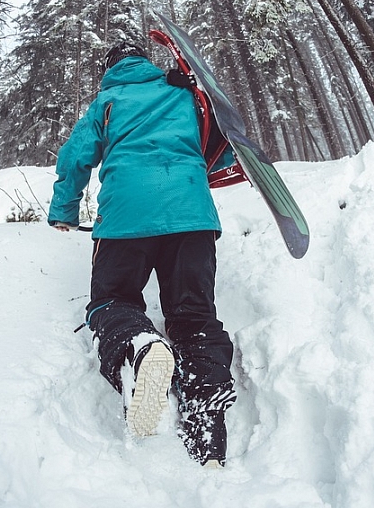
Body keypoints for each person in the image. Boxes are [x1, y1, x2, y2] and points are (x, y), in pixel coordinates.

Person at [48, 42, 236, 467]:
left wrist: (63, 209)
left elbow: (76, 156)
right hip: (192, 214)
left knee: (111, 300)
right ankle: (206, 415)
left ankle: (139, 347)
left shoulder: (108, 101)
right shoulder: (184, 90)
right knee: (194, 314)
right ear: (145, 62)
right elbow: (219, 146)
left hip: (125, 220)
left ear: (109, 68)